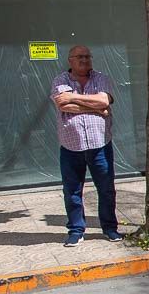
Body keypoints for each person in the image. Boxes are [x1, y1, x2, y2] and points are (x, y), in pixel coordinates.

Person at [50, 45, 122, 247]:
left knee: (106, 189)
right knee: (72, 191)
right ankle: (76, 230)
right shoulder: (60, 80)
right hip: (71, 147)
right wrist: (98, 109)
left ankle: (110, 229)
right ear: (70, 60)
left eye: (87, 56)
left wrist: (73, 97)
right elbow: (63, 105)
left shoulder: (101, 78)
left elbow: (103, 100)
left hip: (100, 145)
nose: (84, 60)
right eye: (79, 57)